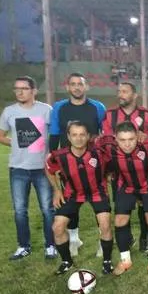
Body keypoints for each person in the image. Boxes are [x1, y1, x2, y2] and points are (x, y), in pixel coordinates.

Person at [0, 76, 56, 261]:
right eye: (16, 88)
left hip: (42, 169)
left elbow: (54, 135)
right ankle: (23, 246)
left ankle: (51, 245)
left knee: (47, 209)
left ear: (34, 91)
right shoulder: (9, 111)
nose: (19, 92)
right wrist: (16, 143)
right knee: (20, 210)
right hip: (18, 169)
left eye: (24, 88)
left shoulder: (46, 110)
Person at [49, 73, 106, 257]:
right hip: (69, 164)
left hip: (93, 163)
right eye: (72, 84)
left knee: (100, 205)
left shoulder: (97, 107)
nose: (76, 87)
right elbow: (55, 134)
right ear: (68, 87)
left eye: (80, 84)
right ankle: (74, 239)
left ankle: (101, 241)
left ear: (86, 87)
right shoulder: (59, 107)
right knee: (72, 203)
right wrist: (55, 160)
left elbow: (104, 134)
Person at [45, 121, 114, 275]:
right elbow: (49, 168)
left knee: (105, 225)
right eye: (74, 135)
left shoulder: (99, 153)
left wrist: (108, 176)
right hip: (73, 193)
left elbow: (111, 165)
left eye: (82, 134)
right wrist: (57, 190)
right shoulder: (60, 156)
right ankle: (66, 261)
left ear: (88, 136)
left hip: (97, 192)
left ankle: (107, 261)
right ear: (68, 137)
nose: (79, 138)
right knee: (57, 227)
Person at [97, 122, 148, 276]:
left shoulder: (147, 143)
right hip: (126, 186)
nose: (127, 144)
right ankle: (125, 259)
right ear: (115, 139)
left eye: (131, 139)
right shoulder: (108, 145)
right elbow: (93, 142)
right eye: (122, 140)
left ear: (137, 136)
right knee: (119, 221)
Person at [102, 81, 148, 254]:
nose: (121, 94)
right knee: (122, 207)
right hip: (119, 171)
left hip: (143, 171)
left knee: (144, 207)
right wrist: (109, 168)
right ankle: (128, 237)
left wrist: (145, 137)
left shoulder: (147, 114)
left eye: (125, 91)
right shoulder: (110, 114)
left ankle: (144, 238)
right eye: (119, 91)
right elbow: (107, 140)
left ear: (134, 95)